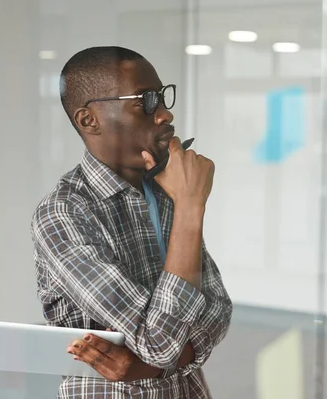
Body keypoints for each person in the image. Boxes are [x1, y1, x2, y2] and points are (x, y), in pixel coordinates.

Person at [30, 46, 232, 398]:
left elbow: (218, 309)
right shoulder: (63, 214)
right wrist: (190, 207)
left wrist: (146, 366)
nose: (165, 113)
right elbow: (159, 343)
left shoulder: (166, 188)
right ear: (88, 120)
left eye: (163, 96)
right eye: (146, 100)